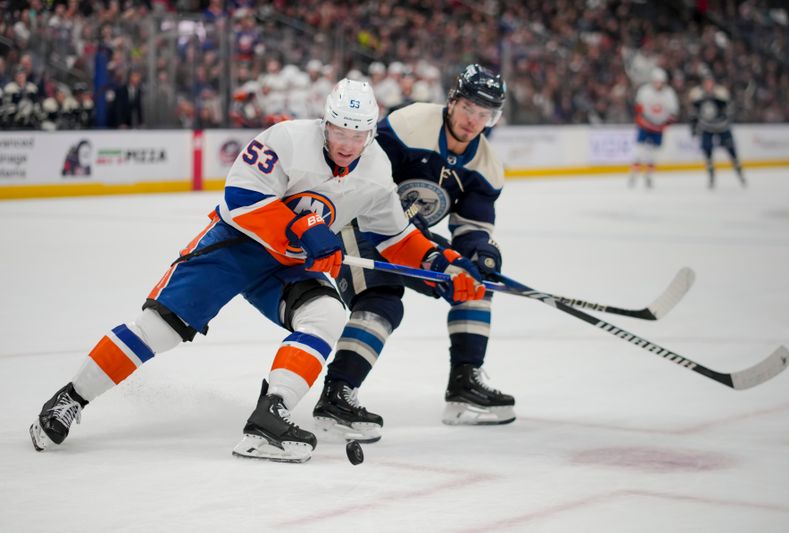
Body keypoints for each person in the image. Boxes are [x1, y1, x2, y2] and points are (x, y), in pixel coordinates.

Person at [29, 79, 485, 463]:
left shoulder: (377, 170)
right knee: (158, 330)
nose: (347, 144)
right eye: (339, 131)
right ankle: (71, 397)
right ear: (325, 123)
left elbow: (395, 235)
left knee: (327, 313)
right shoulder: (285, 139)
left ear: (370, 134)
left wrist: (440, 261)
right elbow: (239, 200)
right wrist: (304, 226)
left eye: (357, 135)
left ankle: (270, 416)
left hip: (286, 266)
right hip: (233, 248)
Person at [312, 64, 512, 443]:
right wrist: (403, 227)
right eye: (469, 108)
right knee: (382, 298)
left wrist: (481, 253)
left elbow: (472, 228)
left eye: (484, 114)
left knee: (472, 281)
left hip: (409, 236)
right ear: (453, 101)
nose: (473, 121)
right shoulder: (409, 124)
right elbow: (364, 173)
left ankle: (464, 383)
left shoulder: (486, 166)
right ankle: (337, 394)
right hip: (358, 220)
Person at [689, 75, 747, 189]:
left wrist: (726, 118)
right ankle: (711, 176)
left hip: (722, 127)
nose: (708, 85)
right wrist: (693, 129)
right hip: (706, 128)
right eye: (706, 82)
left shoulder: (721, 93)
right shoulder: (697, 94)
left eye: (710, 82)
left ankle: (739, 173)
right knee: (707, 151)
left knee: (731, 151)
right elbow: (693, 114)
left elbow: (729, 110)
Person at [628, 68, 679, 188]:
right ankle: (634, 173)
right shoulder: (645, 91)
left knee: (653, 154)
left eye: (660, 82)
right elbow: (638, 109)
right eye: (656, 82)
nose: (658, 84)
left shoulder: (669, 93)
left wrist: (665, 124)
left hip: (659, 127)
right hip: (645, 125)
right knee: (639, 150)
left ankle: (649, 176)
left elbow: (673, 113)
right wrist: (641, 120)